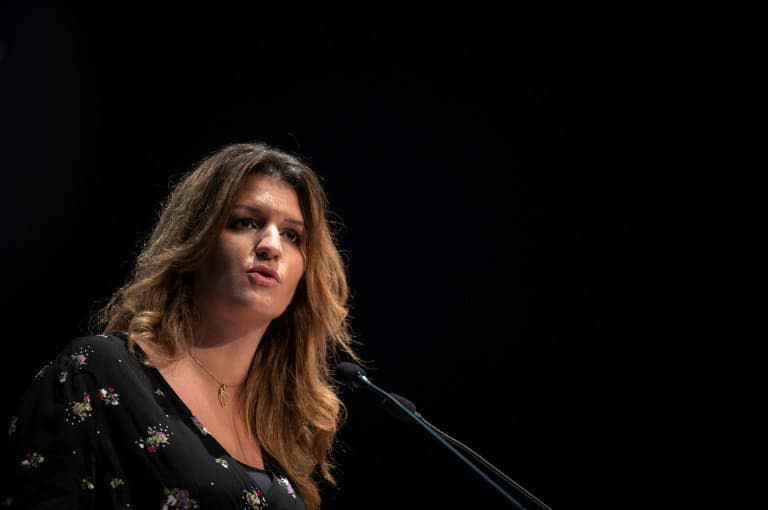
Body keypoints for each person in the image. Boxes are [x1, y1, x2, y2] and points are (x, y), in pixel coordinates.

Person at [2, 142, 360, 509]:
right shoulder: (97, 371)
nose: (271, 245)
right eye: (246, 222)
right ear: (196, 240)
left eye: (292, 235)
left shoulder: (281, 426)